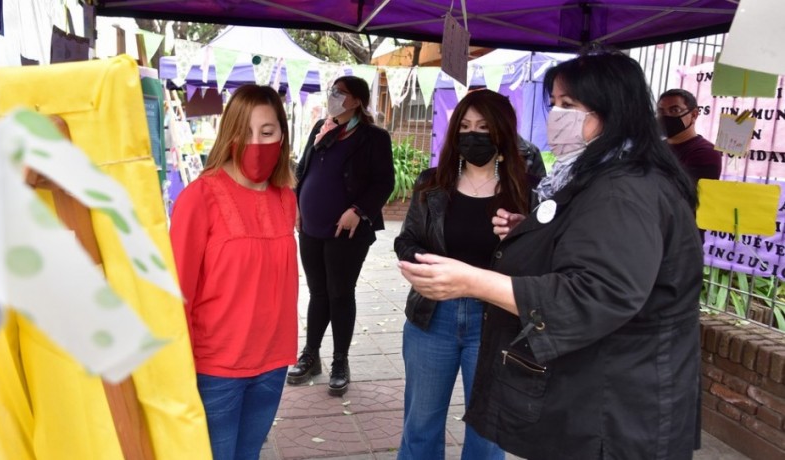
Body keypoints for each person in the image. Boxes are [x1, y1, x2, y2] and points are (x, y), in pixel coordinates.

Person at [398, 52, 703, 460]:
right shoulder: (599, 177)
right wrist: (534, 233)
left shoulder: (622, 188)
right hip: (603, 390)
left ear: (611, 110)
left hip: (618, 406)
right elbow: (590, 250)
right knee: (422, 419)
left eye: (568, 106)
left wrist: (472, 281)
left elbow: (597, 292)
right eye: (554, 104)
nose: (555, 116)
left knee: (485, 436)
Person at [394, 89, 530, 460]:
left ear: (502, 131)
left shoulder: (525, 190)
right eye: (466, 127)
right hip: (432, 316)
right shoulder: (431, 184)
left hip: (496, 320)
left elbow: (542, 261)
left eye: (484, 127)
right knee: (420, 424)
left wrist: (523, 234)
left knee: (487, 434)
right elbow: (406, 240)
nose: (474, 136)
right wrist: (424, 267)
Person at [169, 84, 297, 460]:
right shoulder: (199, 197)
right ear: (230, 135)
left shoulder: (285, 197)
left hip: (272, 363)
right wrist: (178, 371)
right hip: (216, 369)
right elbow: (177, 292)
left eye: (267, 132)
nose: (255, 142)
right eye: (245, 132)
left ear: (283, 136)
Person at [287, 75, 395, 396]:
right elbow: (303, 169)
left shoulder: (373, 137)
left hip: (346, 231)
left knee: (340, 294)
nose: (333, 96)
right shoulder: (323, 127)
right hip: (310, 228)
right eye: (332, 91)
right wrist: (297, 205)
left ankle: (340, 361)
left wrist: (359, 210)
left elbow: (383, 182)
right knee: (318, 293)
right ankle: (310, 355)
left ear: (357, 101)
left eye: (341, 93)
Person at [657, 88, 722, 184]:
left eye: (675, 110)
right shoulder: (655, 147)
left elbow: (684, 192)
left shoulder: (706, 153)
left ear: (694, 115)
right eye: (661, 111)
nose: (666, 116)